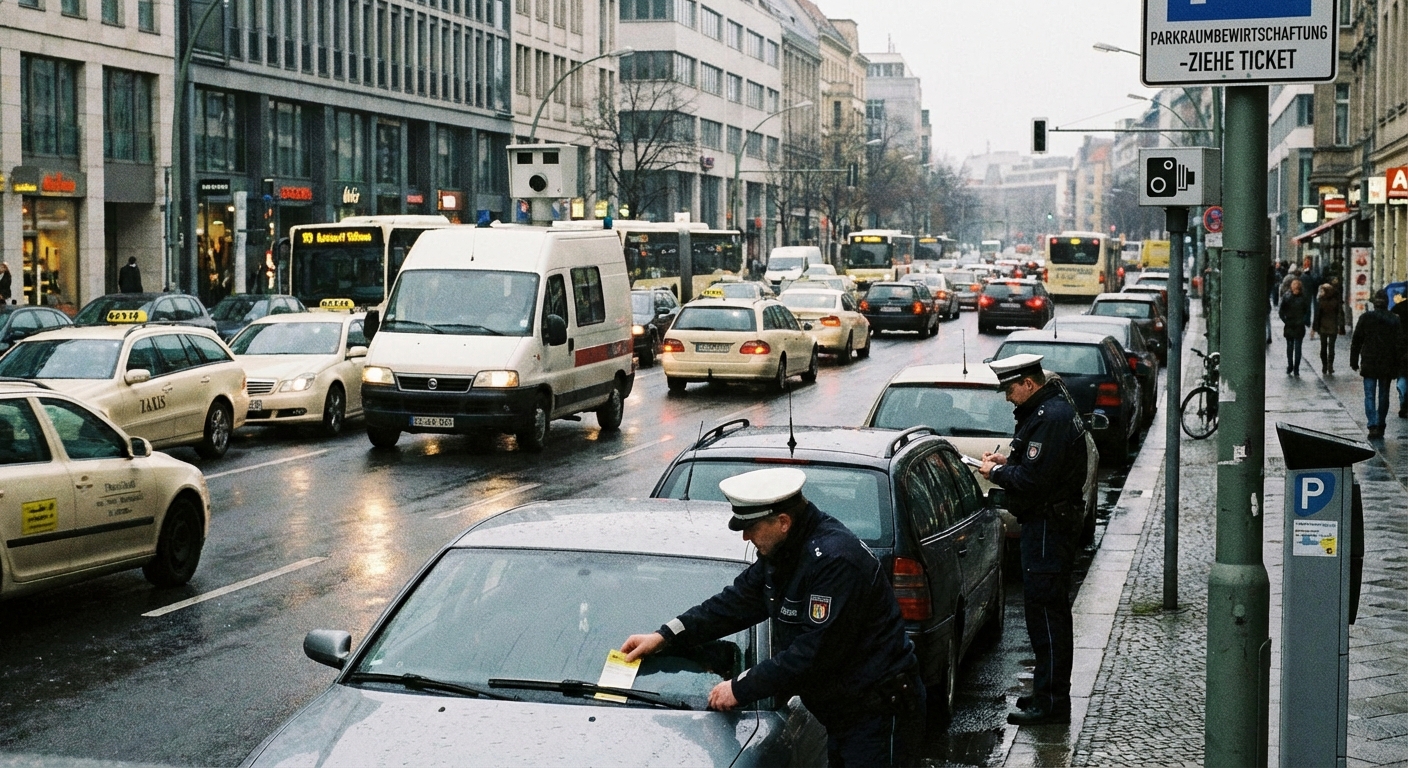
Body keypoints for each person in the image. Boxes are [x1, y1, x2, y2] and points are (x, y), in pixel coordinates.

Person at [620, 467, 925, 767]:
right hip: (847, 713)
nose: (745, 537)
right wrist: (664, 637)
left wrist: (740, 687)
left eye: (750, 528)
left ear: (782, 522)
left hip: (879, 714)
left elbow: (813, 653)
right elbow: (732, 603)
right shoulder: (782, 553)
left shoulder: (835, 561)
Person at [978, 354, 1089, 726]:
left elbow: (1034, 480)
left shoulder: (1050, 419)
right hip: (1047, 523)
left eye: (1010, 389)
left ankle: (1053, 702)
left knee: (1046, 616)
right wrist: (1006, 461)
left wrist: (997, 472)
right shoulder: (1050, 410)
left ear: (1028, 383)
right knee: (1045, 615)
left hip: (1047, 527)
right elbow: (1033, 465)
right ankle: (1046, 691)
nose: (1008, 397)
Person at [1349, 290, 1406, 439]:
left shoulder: (1365, 318)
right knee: (1383, 395)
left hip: (1369, 361)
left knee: (1369, 395)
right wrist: (1400, 364)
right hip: (1387, 363)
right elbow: (1399, 344)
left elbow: (1356, 341)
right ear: (1387, 303)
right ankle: (1381, 423)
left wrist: (1353, 361)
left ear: (1374, 303)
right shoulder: (1394, 319)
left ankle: (1372, 425)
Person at [1279, 278, 1311, 376]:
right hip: (1299, 325)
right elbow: (1307, 311)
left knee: (1289, 347)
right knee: (1298, 347)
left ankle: (1290, 366)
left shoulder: (1286, 297)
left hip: (1289, 325)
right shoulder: (1304, 297)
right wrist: (1304, 320)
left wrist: (1286, 321)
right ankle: (1296, 368)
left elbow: (1281, 312)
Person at [1314, 281, 1346, 376]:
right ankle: (1330, 366)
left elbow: (1317, 315)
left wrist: (1315, 327)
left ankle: (1324, 365)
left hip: (1323, 327)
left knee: (1323, 347)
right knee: (1331, 348)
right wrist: (1341, 326)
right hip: (1333, 326)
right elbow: (1340, 315)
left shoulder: (1321, 301)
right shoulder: (1336, 301)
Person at [1392, 294, 1408, 418]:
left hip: (1401, 348)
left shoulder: (1398, 308)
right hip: (1402, 347)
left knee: (1402, 375)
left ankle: (1404, 404)